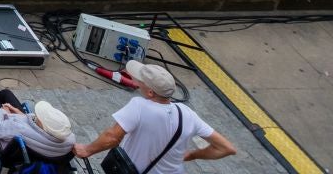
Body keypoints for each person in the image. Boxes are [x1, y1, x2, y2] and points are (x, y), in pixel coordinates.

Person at [73, 59, 237, 168]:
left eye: (139, 80)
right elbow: (227, 148)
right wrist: (192, 155)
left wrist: (87, 150)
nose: (135, 80)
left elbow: (112, 137)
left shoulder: (139, 106)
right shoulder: (188, 114)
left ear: (150, 92)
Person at [0, 88, 76, 165]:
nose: (37, 116)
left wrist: (3, 111)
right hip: (28, 141)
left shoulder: (20, 129)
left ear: (44, 126)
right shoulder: (69, 141)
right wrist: (19, 112)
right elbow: (36, 128)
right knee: (6, 93)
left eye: (39, 118)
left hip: (5, 142)